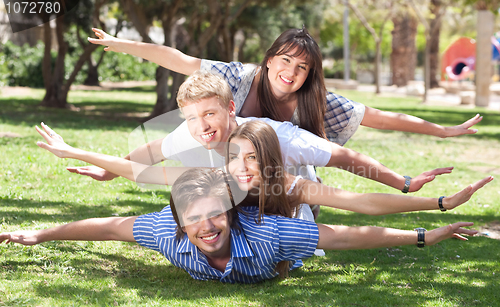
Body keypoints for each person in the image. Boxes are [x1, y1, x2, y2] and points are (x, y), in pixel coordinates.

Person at [0, 168, 481, 283]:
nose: (206, 227)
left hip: (290, 216)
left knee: (305, 199)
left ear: (230, 214)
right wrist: (40, 233)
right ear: (178, 222)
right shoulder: (166, 232)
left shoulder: (271, 235)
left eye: (215, 215)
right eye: (194, 220)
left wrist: (423, 234)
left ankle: (298, 172)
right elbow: (109, 227)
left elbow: (343, 236)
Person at [64, 70, 453, 199]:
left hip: (293, 201)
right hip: (247, 198)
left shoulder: (277, 136)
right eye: (192, 118)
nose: (202, 126)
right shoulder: (192, 131)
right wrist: (109, 170)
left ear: (231, 109)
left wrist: (402, 182)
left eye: (210, 114)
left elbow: (347, 158)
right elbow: (152, 148)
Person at [35, 119, 493, 223]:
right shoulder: (214, 172)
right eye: (236, 158)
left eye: (253, 159)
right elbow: (142, 167)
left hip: (291, 232)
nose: (243, 167)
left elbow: (358, 201)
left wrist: (432, 201)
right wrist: (74, 150)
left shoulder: (288, 179)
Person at [87, 26, 482, 145]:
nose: (291, 72)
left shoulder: (317, 101)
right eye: (286, 61)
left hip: (286, 189)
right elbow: (181, 60)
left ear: (310, 74)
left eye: (303, 67)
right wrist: (120, 44)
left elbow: (380, 117)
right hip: (232, 176)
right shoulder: (238, 78)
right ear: (271, 60)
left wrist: (442, 129)